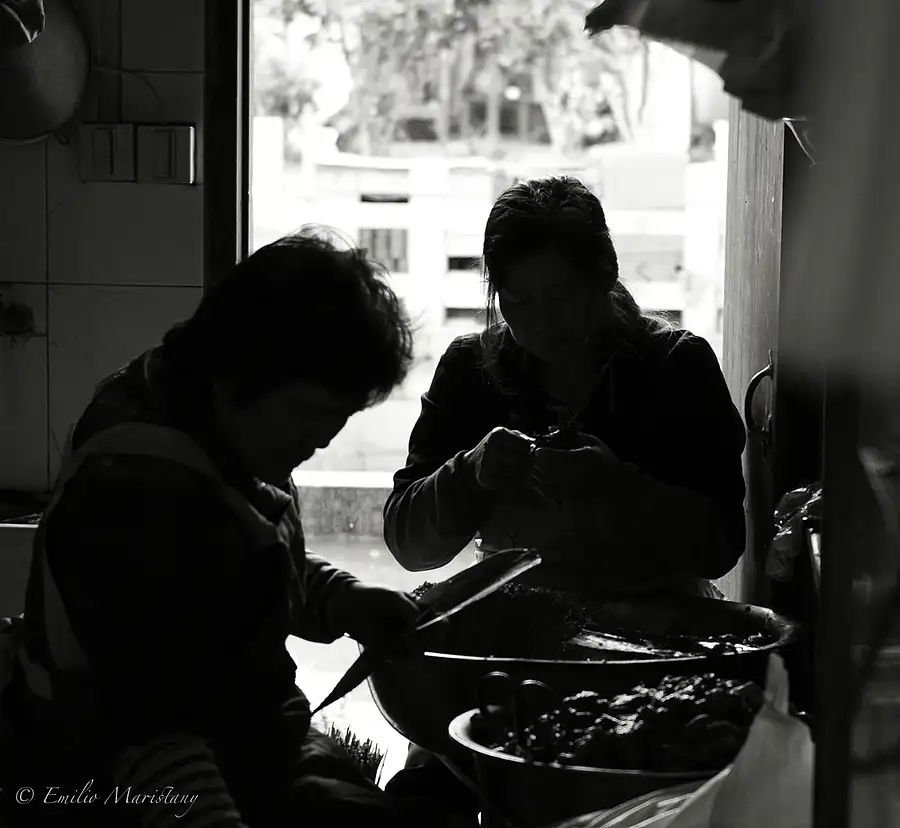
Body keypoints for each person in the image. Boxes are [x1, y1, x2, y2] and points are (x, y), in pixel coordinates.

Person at [0, 229, 464, 828]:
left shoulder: (211, 413)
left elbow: (235, 566)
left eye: (340, 418)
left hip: (238, 735)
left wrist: (341, 599)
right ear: (236, 371)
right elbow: (148, 733)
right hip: (114, 776)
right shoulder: (137, 497)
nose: (324, 439)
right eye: (311, 414)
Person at [381, 176, 747, 819]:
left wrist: (618, 489)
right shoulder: (472, 370)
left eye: (559, 297)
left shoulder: (674, 368)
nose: (538, 323)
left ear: (604, 276)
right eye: (517, 301)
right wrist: (468, 474)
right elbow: (408, 544)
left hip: (645, 651)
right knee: (427, 797)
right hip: (511, 642)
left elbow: (721, 544)